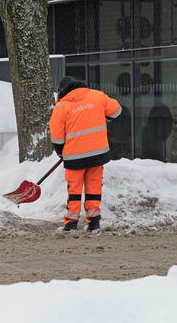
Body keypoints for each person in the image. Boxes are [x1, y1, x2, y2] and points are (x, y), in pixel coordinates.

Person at [49, 76, 122, 234]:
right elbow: (116, 110)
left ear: (61, 91)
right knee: (94, 189)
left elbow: (56, 135)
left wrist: (61, 152)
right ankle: (94, 224)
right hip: (98, 153)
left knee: (74, 191)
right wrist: (104, 116)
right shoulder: (96, 96)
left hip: (74, 156)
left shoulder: (62, 107)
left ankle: (71, 224)